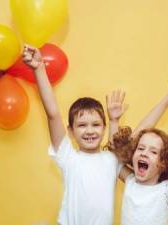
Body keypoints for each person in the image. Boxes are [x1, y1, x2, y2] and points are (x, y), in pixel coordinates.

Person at [23, 45, 122, 225]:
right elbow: (52, 113)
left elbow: (116, 146)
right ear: (71, 131)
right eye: (82, 125)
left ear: (104, 128)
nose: (90, 130)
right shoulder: (69, 157)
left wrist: (114, 120)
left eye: (96, 125)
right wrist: (39, 69)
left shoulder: (111, 159)